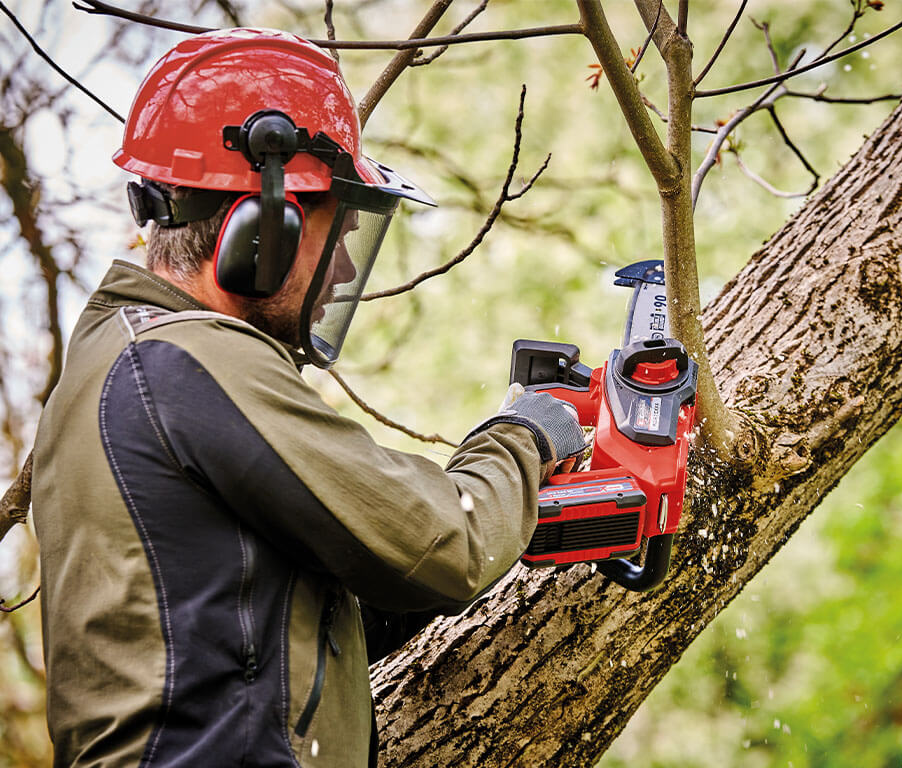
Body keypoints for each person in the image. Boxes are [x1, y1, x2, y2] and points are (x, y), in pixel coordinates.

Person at [31, 28, 584, 768]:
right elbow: (444, 542)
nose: (347, 264)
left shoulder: (122, 360)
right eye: (340, 229)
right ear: (264, 229)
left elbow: (249, 638)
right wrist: (527, 436)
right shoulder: (184, 360)